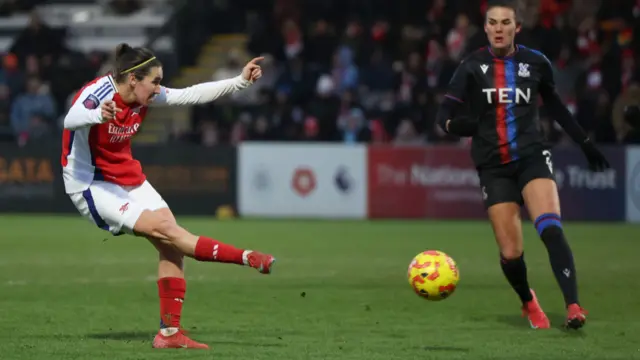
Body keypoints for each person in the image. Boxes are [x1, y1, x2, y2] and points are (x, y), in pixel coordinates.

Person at [60, 43, 275, 349]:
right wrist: (97, 115)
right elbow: (71, 118)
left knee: (171, 246)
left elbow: (189, 94)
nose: (159, 88)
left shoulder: (143, 95)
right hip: (91, 184)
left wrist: (239, 82)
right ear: (133, 79)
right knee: (168, 231)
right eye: (156, 81)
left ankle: (169, 334)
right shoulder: (99, 95)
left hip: (127, 177)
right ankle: (247, 257)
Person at [436, 0, 610, 330]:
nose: (499, 28)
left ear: (517, 28)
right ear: (485, 28)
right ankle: (528, 302)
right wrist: (458, 126)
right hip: (493, 166)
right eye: (493, 22)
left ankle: (573, 305)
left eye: (505, 23)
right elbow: (442, 117)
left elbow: (556, 108)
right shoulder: (471, 66)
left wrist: (585, 143)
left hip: (532, 156)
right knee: (512, 253)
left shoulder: (536, 63)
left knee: (550, 228)